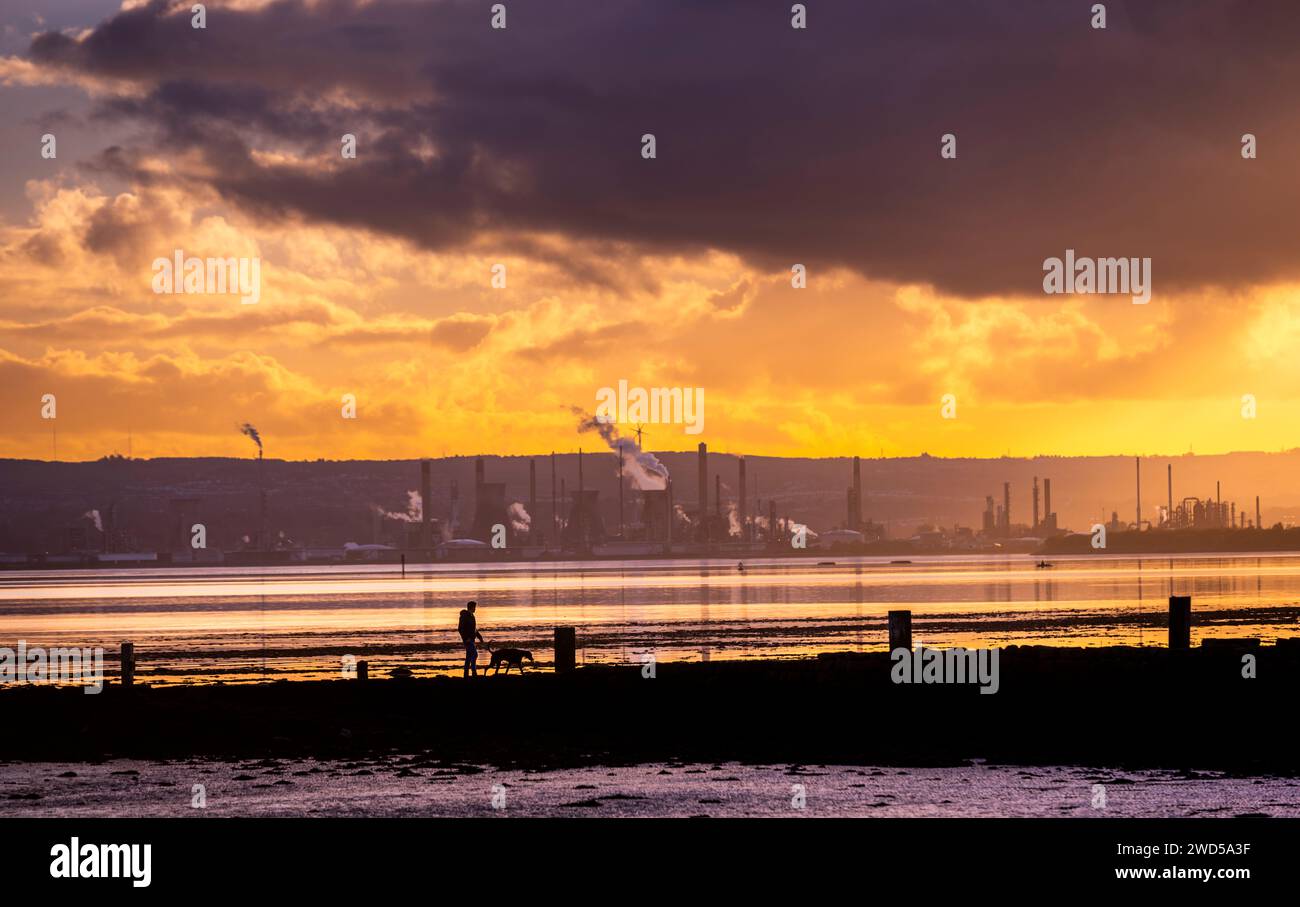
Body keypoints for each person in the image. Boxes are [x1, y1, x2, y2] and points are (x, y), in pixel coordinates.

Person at [458, 600, 485, 677]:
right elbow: (460, 629)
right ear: (471, 607)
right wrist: (466, 639)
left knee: (469, 657)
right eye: (474, 607)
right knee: (474, 654)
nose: (475, 609)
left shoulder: (472, 616)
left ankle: (466, 674)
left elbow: (474, 629)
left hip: (472, 640)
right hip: (468, 640)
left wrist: (480, 637)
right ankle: (474, 672)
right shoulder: (464, 616)